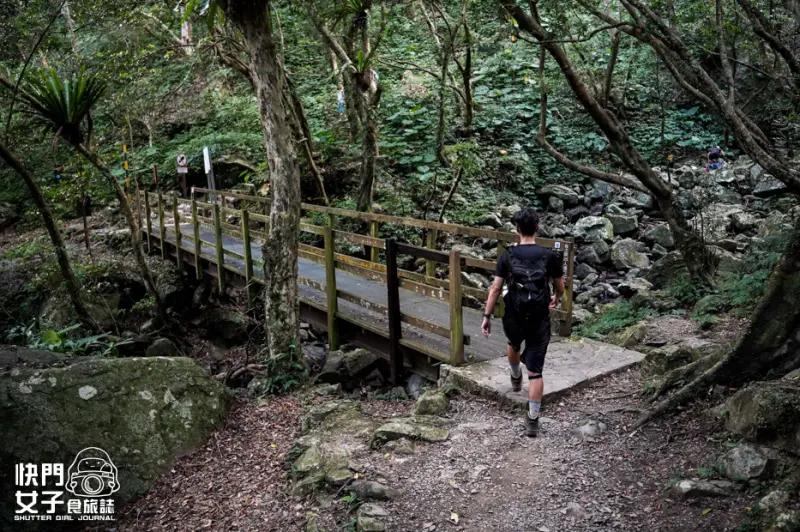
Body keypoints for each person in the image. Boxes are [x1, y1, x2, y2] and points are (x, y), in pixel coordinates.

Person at [480, 207, 565, 437]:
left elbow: (495, 288)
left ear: (517, 229)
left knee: (514, 344)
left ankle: (516, 374)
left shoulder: (507, 255)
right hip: (539, 318)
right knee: (536, 372)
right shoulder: (549, 256)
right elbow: (560, 285)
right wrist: (557, 297)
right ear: (538, 228)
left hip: (514, 316)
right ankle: (533, 420)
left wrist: (486, 316)